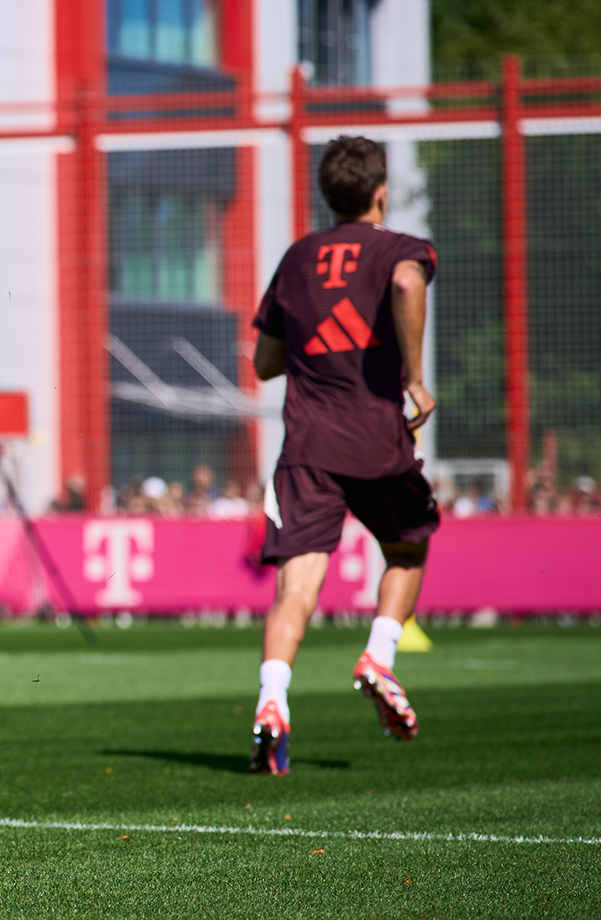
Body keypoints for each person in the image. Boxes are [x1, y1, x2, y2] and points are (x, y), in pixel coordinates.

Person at [247, 135, 438, 775]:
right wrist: (412, 373)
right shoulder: (399, 249)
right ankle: (378, 655)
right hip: (376, 437)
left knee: (296, 586)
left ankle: (273, 702)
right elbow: (409, 283)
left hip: (306, 446)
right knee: (409, 546)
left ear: (328, 195)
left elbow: (265, 362)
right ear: (380, 192)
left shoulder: (297, 257)